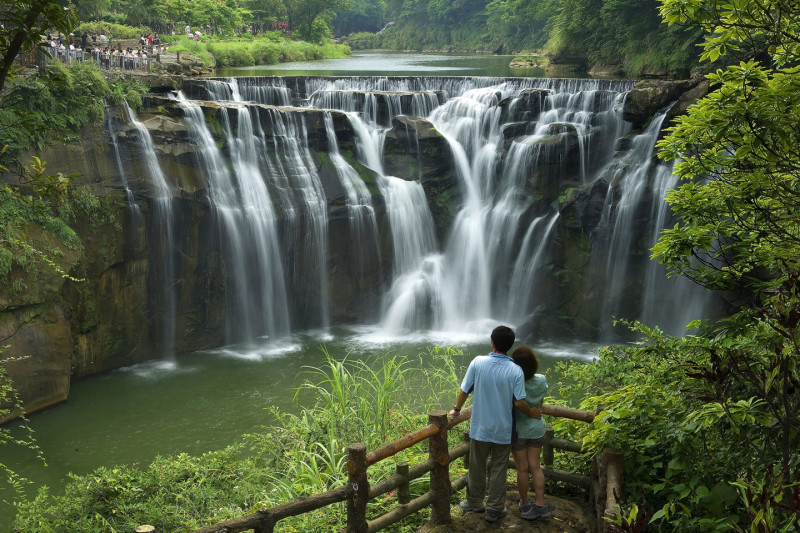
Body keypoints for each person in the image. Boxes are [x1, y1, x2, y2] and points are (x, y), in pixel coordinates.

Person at [449, 325, 540, 523]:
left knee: (477, 466)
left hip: (480, 427)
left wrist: (456, 409)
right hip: (503, 429)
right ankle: (495, 509)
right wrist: (531, 412)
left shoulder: (478, 362)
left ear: (492, 342)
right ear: (509, 346)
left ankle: (475, 503)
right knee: (499, 469)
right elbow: (519, 402)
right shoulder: (515, 370)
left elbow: (465, 390)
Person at [510, 346, 551, 520]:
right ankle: (540, 504)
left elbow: (515, 403)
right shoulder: (542, 379)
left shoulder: (514, 381)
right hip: (537, 427)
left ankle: (525, 504)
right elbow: (540, 403)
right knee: (535, 466)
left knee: (522, 468)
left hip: (519, 429)